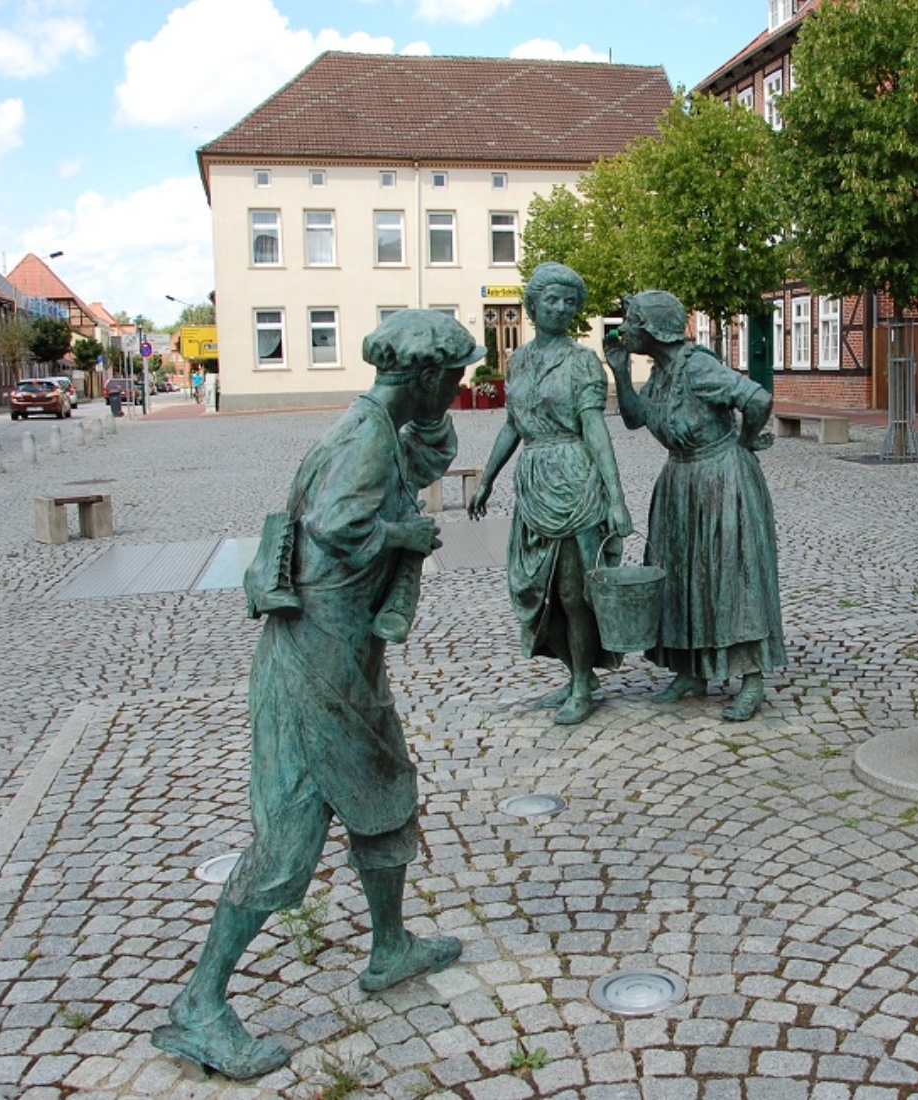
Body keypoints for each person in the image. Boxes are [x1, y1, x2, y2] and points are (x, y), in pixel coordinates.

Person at [152, 310, 478, 1079]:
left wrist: (426, 428)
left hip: (344, 657)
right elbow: (334, 532)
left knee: (386, 790)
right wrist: (404, 538)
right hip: (312, 670)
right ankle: (200, 1006)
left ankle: (391, 946)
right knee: (286, 848)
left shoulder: (378, 427)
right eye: (453, 377)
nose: (459, 387)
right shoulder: (364, 439)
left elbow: (422, 460)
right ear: (427, 375)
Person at [604, 290, 785, 722]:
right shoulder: (662, 373)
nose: (622, 328)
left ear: (652, 328)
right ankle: (691, 671)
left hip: (721, 478)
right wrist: (622, 375)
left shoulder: (697, 365)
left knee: (731, 575)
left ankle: (752, 679)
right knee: (683, 576)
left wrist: (742, 442)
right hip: (680, 482)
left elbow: (757, 399)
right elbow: (635, 418)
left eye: (629, 320)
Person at [468, 262, 632, 725]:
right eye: (551, 300)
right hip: (534, 481)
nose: (560, 308)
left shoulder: (581, 362)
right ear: (533, 306)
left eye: (569, 302)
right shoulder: (518, 360)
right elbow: (511, 426)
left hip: (576, 480)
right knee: (535, 588)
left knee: (573, 591)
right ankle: (577, 672)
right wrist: (487, 478)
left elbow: (596, 429)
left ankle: (583, 682)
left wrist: (615, 496)